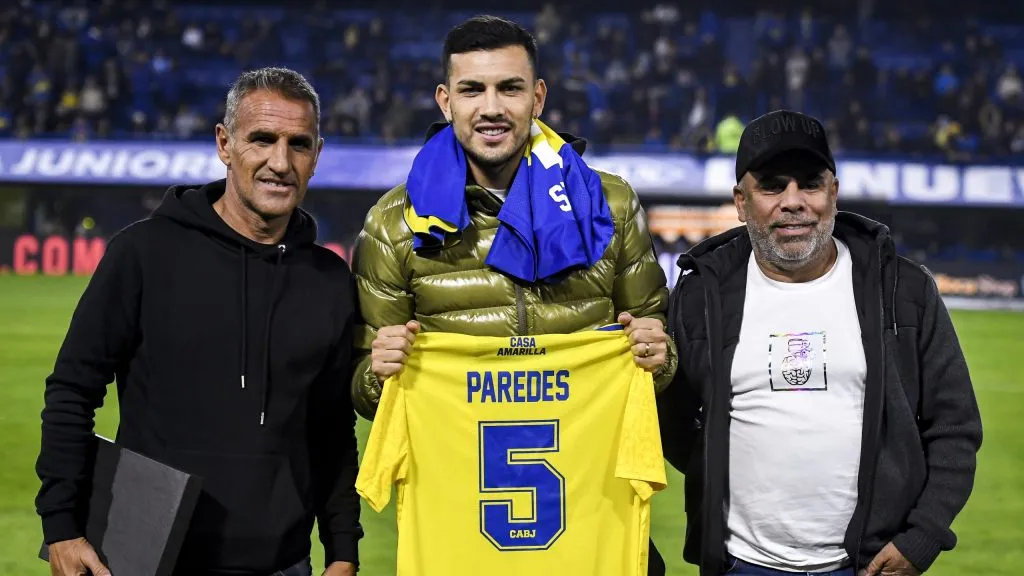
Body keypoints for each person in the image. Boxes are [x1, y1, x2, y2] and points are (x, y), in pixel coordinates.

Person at [348, 15, 676, 575]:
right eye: (473, 90)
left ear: (538, 96)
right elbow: (365, 389)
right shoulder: (394, 224)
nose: (492, 107)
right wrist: (378, 372)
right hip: (460, 532)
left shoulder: (610, 207)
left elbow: (658, 364)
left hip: (593, 523)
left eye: (510, 88)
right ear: (445, 100)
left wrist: (658, 355)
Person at [35, 67, 362, 576]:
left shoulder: (327, 280)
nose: (281, 161)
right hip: (146, 560)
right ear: (225, 144)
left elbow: (332, 431)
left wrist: (343, 551)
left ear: (316, 156)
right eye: (262, 139)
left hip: (281, 564)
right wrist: (61, 527)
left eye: (299, 144)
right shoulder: (143, 253)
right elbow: (72, 391)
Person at [659, 109, 983, 576]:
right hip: (741, 564)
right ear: (741, 201)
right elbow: (673, 418)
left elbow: (954, 427)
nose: (793, 201)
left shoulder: (902, 289)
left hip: (869, 566)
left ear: (833, 193)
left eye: (809, 184)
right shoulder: (699, 296)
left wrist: (924, 535)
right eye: (772, 185)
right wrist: (719, 471)